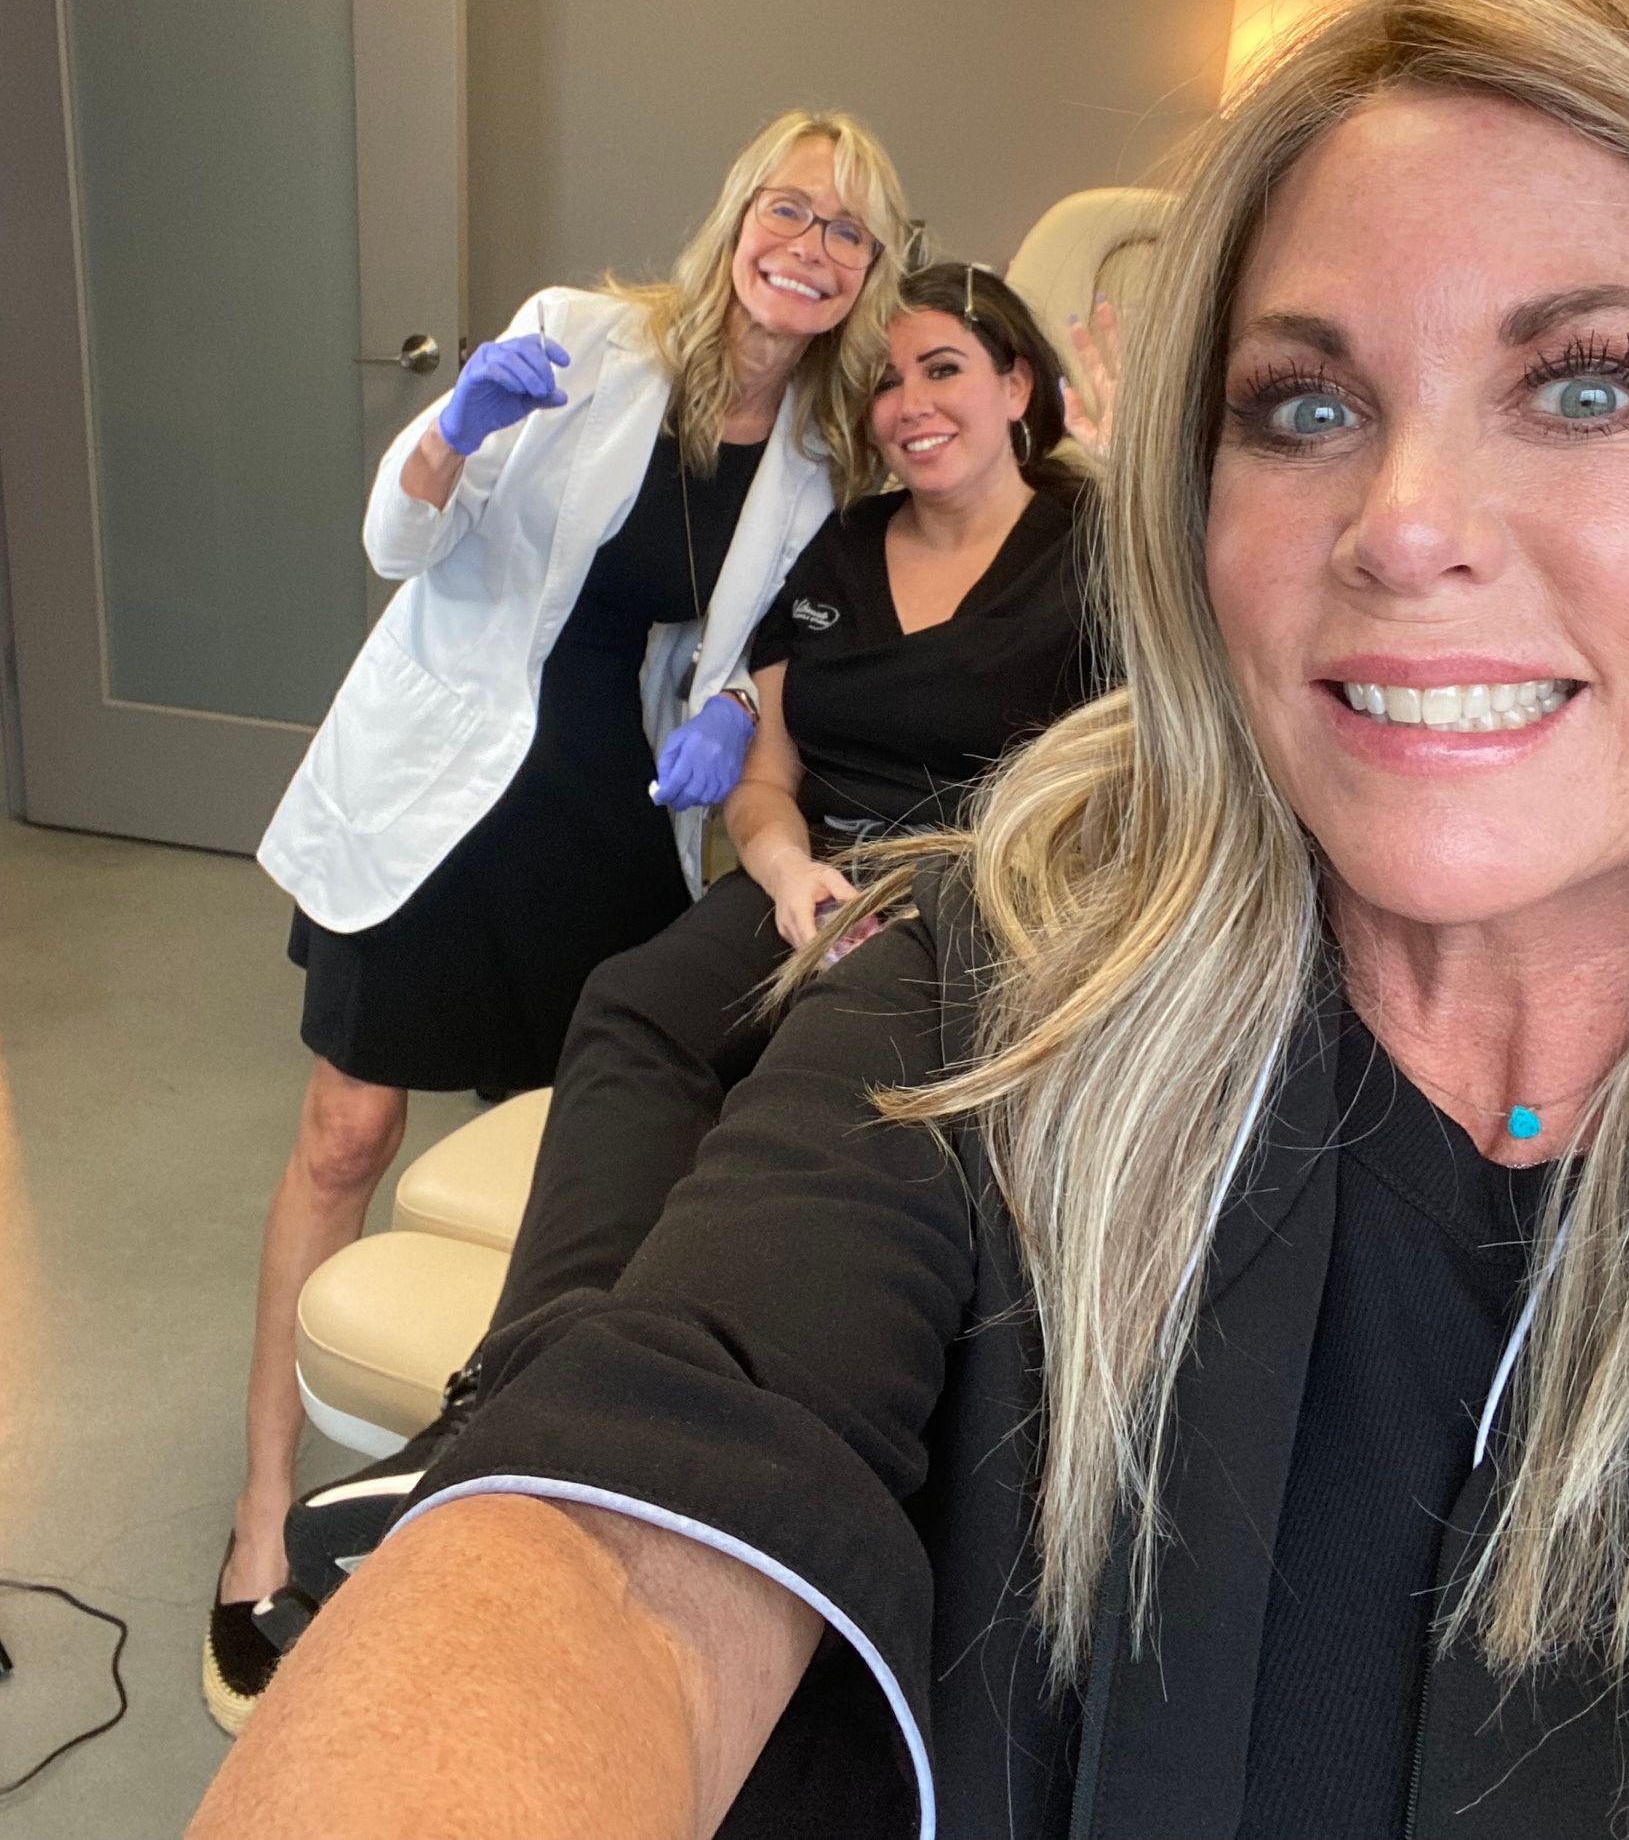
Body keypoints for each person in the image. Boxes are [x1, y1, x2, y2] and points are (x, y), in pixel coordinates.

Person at [185, 0, 1629, 1840]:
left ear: (1031, 392)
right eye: (1304, 403)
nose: (1399, 529)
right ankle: (423, 1459)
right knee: (435, 1106)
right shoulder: (990, 979)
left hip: (728, 839)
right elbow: (659, 1500)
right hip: (517, 803)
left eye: (1586, 384)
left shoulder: (976, 537)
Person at [201, 108, 908, 1735]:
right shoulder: (576, 341)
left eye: (846, 230)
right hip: (445, 780)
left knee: (551, 1160)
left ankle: (467, 1491)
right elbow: (402, 541)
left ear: (870, 267)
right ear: (737, 215)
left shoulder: (826, 447)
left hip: (604, 816)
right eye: (787, 208)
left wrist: (728, 721)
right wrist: (447, 431)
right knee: (343, 1134)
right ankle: (258, 1520)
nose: (807, 244)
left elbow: (748, 650)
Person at [278, 259, 1106, 1599]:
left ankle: (721, 1467)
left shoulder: (1099, 552)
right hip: (812, 871)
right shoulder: (840, 547)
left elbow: (1131, 775)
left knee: (814, 1078)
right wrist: (780, 873)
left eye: (944, 367)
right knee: (631, 1005)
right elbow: (767, 778)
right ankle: (510, 1397)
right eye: (886, 379)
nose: (908, 402)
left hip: (983, 892)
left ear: (1020, 385)